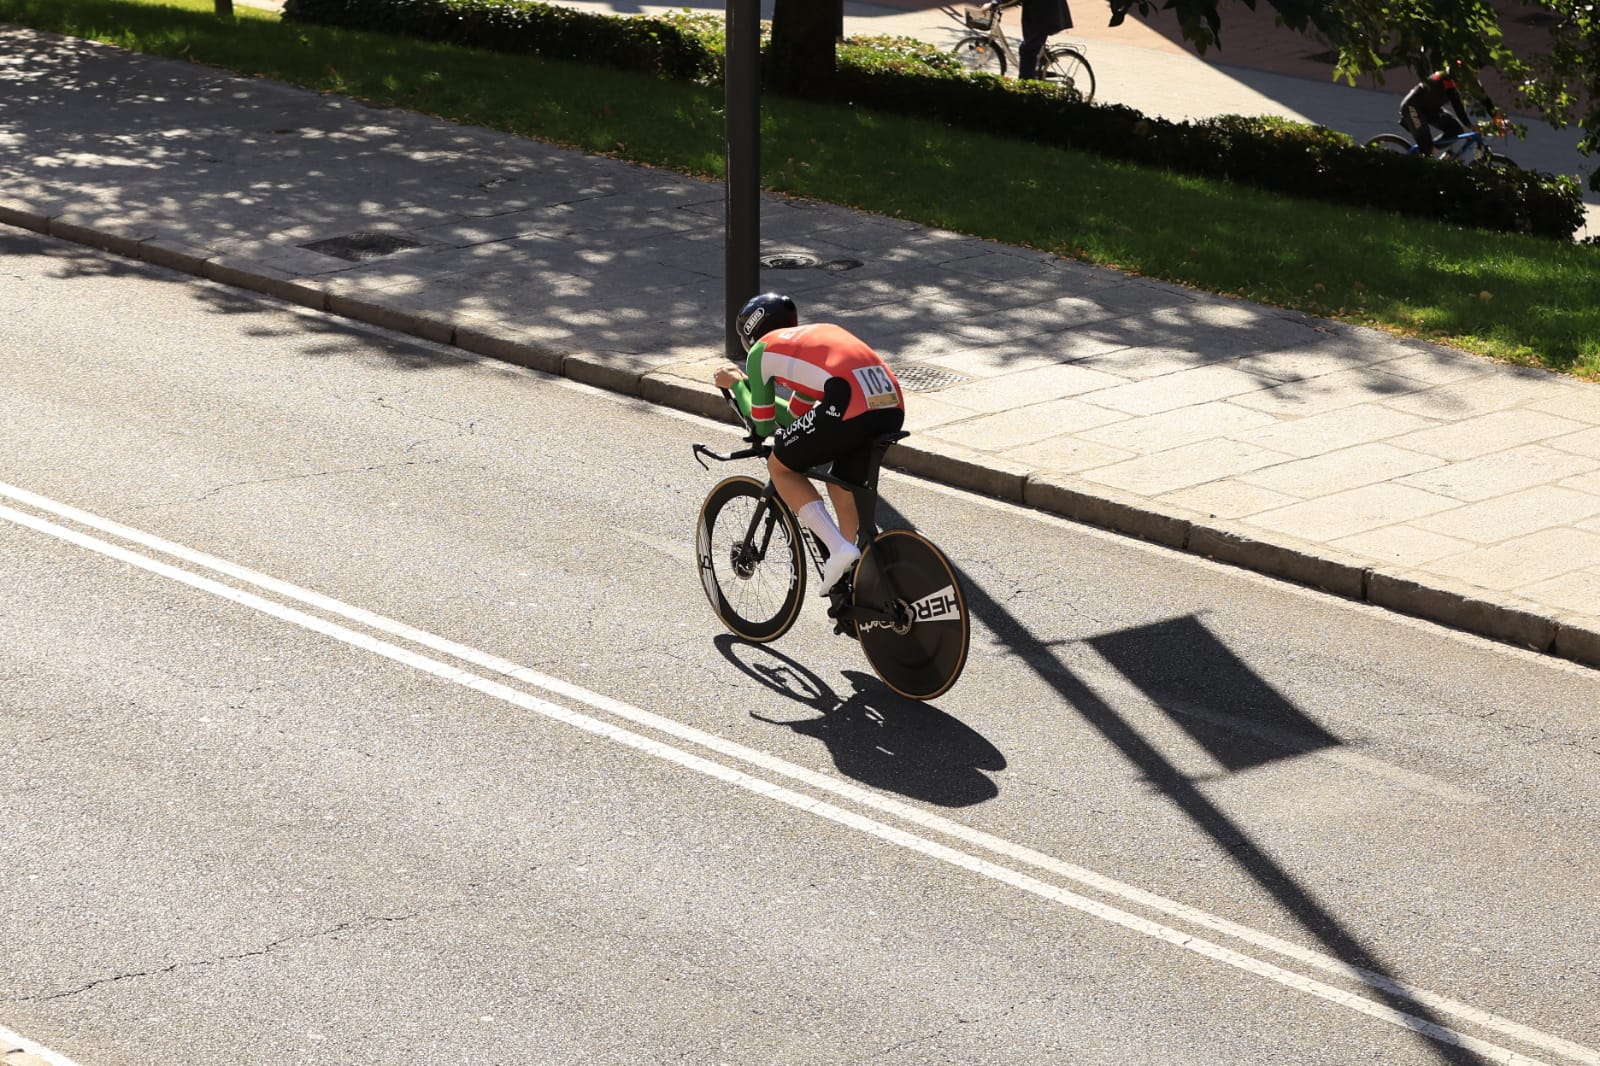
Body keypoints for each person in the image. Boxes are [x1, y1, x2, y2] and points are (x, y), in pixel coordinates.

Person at [713, 294, 906, 597]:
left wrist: (738, 383)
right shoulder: (805, 345)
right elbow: (793, 418)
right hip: (890, 406)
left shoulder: (761, 352)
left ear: (749, 333)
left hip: (847, 403)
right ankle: (854, 574)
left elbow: (762, 424)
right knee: (842, 484)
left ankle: (840, 549)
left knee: (781, 466)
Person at [1397, 64, 1480, 156]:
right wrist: (1470, 125)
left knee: (1456, 130)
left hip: (1430, 110)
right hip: (1412, 107)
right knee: (1426, 145)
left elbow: (1479, 95)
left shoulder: (1453, 79)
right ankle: (1423, 155)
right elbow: (1457, 105)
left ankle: (1430, 151)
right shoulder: (1446, 79)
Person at [1016, 0, 1072, 81]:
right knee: (1032, 48)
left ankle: (1025, 88)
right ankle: (1039, 69)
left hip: (1044, 16)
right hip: (1045, 14)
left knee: (1027, 51)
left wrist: (997, 3)